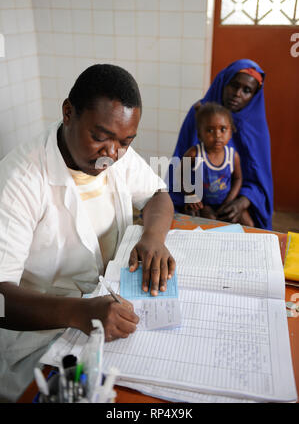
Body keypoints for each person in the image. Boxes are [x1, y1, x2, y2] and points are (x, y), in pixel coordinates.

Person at [0, 64, 175, 402]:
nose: (111, 154)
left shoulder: (115, 152)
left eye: (125, 142)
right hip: (43, 336)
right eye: (100, 137)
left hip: (105, 309)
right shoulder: (18, 181)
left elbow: (158, 195)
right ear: (68, 113)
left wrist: (153, 237)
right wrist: (80, 312)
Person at [167, 59, 273, 230]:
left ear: (254, 96)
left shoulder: (256, 127)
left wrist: (242, 201)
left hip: (236, 199)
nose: (238, 94)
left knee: (249, 227)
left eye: (247, 90)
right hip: (199, 198)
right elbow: (180, 168)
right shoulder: (200, 115)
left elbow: (259, 181)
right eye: (234, 85)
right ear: (223, 82)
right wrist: (192, 198)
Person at [181, 102, 254, 227]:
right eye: (209, 130)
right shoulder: (194, 153)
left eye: (223, 129)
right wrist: (190, 194)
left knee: (248, 223)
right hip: (205, 203)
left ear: (231, 132)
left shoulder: (232, 156)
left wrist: (229, 201)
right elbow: (180, 174)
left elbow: (238, 179)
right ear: (200, 134)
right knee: (211, 222)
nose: (217, 135)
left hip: (227, 201)